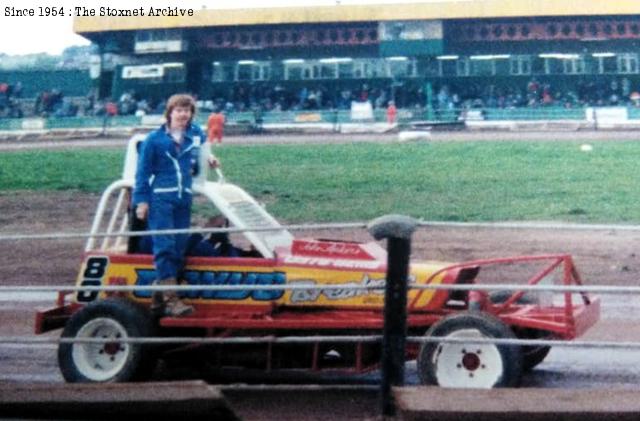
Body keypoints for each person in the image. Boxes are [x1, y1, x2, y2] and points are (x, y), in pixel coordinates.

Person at [133, 94, 218, 317]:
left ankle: (158, 295)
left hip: (184, 198)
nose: (183, 114)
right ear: (169, 112)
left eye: (187, 111)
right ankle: (171, 300)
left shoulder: (196, 134)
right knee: (165, 246)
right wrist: (141, 202)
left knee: (179, 246)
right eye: (179, 110)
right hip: (160, 198)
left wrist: (209, 158)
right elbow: (142, 173)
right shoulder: (154, 139)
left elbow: (202, 151)